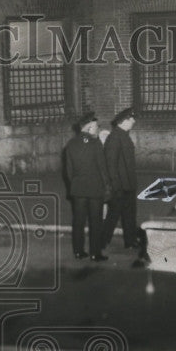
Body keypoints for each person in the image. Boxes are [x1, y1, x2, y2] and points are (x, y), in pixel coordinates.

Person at [64, 111, 109, 261]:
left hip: (77, 189)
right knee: (95, 222)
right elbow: (103, 169)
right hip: (95, 189)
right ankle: (95, 253)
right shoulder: (96, 144)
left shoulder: (70, 145)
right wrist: (107, 187)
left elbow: (69, 172)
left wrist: (75, 184)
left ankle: (78, 251)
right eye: (96, 126)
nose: (97, 129)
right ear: (89, 127)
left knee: (78, 221)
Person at [102, 107, 140, 251]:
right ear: (123, 121)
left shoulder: (124, 135)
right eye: (131, 119)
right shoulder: (114, 138)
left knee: (129, 215)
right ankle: (101, 242)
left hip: (128, 185)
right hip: (119, 187)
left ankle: (130, 242)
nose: (133, 121)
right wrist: (115, 186)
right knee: (113, 216)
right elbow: (110, 165)